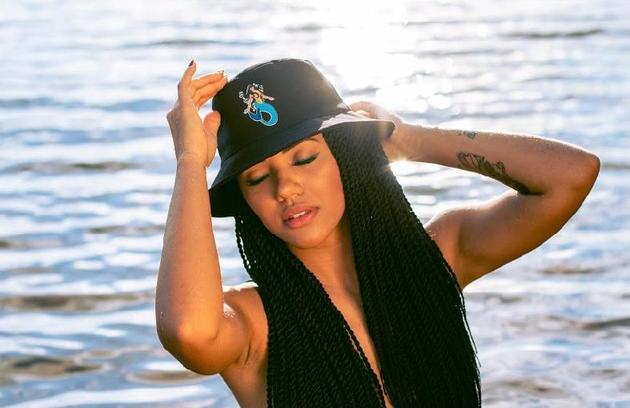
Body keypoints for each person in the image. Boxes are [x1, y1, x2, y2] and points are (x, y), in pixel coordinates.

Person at [156, 58, 600, 408]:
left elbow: (571, 175)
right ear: (246, 202)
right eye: (256, 178)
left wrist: (410, 141)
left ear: (345, 157)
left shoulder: (438, 255)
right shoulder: (251, 323)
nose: (285, 188)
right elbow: (189, 331)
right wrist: (190, 162)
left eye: (305, 159)